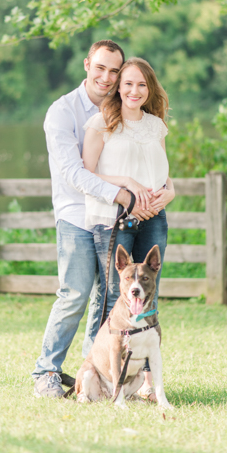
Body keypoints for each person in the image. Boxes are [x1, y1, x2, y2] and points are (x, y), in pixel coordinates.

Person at [32, 41, 170, 398]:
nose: (107, 77)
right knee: (76, 293)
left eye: (115, 71)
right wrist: (125, 193)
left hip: (117, 216)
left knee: (110, 299)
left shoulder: (122, 109)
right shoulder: (63, 112)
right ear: (87, 65)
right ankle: (46, 371)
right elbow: (76, 173)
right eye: (101, 68)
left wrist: (156, 194)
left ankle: (93, 372)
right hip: (79, 215)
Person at [82, 57, 175, 402]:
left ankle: (148, 383)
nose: (134, 91)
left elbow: (163, 171)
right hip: (115, 217)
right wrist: (127, 185)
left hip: (155, 217)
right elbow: (87, 173)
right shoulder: (102, 123)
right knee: (113, 296)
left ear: (149, 89)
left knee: (148, 293)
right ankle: (103, 376)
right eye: (128, 84)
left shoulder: (156, 126)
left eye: (141, 85)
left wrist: (170, 192)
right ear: (118, 87)